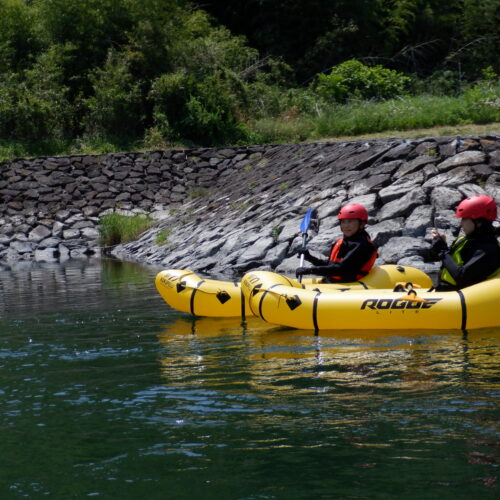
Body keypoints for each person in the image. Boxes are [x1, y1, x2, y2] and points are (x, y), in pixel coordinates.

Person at [430, 194, 500, 291]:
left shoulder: (487, 249)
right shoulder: (467, 239)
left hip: (461, 298)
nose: (461, 223)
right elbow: (451, 263)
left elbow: (461, 277)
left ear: (479, 222)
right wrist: (441, 246)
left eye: (464, 219)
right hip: (446, 291)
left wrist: (442, 252)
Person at [296, 203, 377, 282]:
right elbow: (330, 266)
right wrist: (309, 257)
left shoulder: (361, 245)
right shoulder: (343, 242)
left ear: (362, 224)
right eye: (343, 222)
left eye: (350, 221)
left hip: (348, 286)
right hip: (333, 282)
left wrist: (310, 270)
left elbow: (340, 269)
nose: (346, 225)